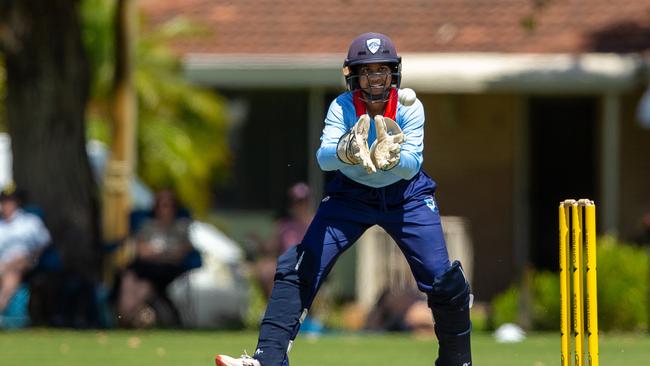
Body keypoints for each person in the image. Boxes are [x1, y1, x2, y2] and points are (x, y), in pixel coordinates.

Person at [215, 32, 472, 366]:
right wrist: (347, 150)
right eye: (367, 71)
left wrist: (389, 156)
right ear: (354, 75)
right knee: (297, 267)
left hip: (406, 196)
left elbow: (411, 166)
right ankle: (268, 358)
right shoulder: (342, 106)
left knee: (445, 281)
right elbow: (324, 158)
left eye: (381, 70)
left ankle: (457, 363)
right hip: (350, 194)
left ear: (394, 73)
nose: (375, 78)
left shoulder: (410, 106)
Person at [117, 189, 193, 328]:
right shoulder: (148, 226)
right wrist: (164, 253)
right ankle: (126, 315)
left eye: (168, 205)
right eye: (161, 205)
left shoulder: (180, 227)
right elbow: (141, 251)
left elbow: (180, 253)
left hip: (165, 270)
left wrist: (157, 253)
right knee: (128, 279)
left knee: (144, 286)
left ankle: (127, 318)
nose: (164, 209)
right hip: (143, 267)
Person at [254, 182, 314, 298]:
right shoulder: (284, 225)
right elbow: (271, 247)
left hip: (308, 264)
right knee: (265, 268)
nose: (301, 205)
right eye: (297, 202)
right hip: (287, 263)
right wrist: (259, 243)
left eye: (304, 201)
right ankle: (274, 304)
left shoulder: (316, 223)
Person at [0, 184, 51, 315]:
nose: (7, 206)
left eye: (10, 202)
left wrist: (33, 257)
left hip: (26, 261)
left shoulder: (30, 222)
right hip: (5, 265)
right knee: (11, 274)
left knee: (16, 262)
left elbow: (44, 243)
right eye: (4, 202)